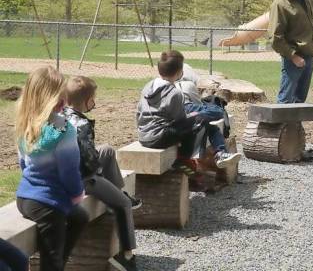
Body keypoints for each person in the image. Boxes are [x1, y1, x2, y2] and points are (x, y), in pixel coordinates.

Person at [64, 76, 141, 271]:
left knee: (106, 149)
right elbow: (88, 163)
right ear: (88, 100)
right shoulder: (81, 125)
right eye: (94, 98)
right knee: (122, 205)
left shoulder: (63, 115)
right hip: (81, 178)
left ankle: (119, 192)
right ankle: (126, 256)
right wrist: (99, 172)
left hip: (68, 170)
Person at [15, 66, 88, 271]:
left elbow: (23, 164)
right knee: (52, 259)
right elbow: (69, 172)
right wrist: (76, 194)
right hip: (48, 204)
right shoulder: (63, 130)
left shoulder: (26, 123)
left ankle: (59, 263)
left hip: (25, 198)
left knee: (81, 217)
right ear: (57, 99)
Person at [136, 50, 241, 178]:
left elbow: (139, 113)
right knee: (203, 120)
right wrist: (197, 116)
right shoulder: (174, 93)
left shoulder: (148, 86)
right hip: (159, 138)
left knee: (201, 119)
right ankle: (185, 159)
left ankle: (219, 154)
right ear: (180, 72)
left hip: (143, 135)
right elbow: (180, 121)